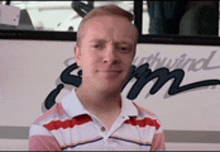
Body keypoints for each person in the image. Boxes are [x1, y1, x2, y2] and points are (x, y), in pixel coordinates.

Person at [29, 5, 166, 151]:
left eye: (123, 48)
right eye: (98, 46)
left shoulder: (150, 125)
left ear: (132, 57)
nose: (110, 57)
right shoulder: (46, 130)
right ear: (78, 55)